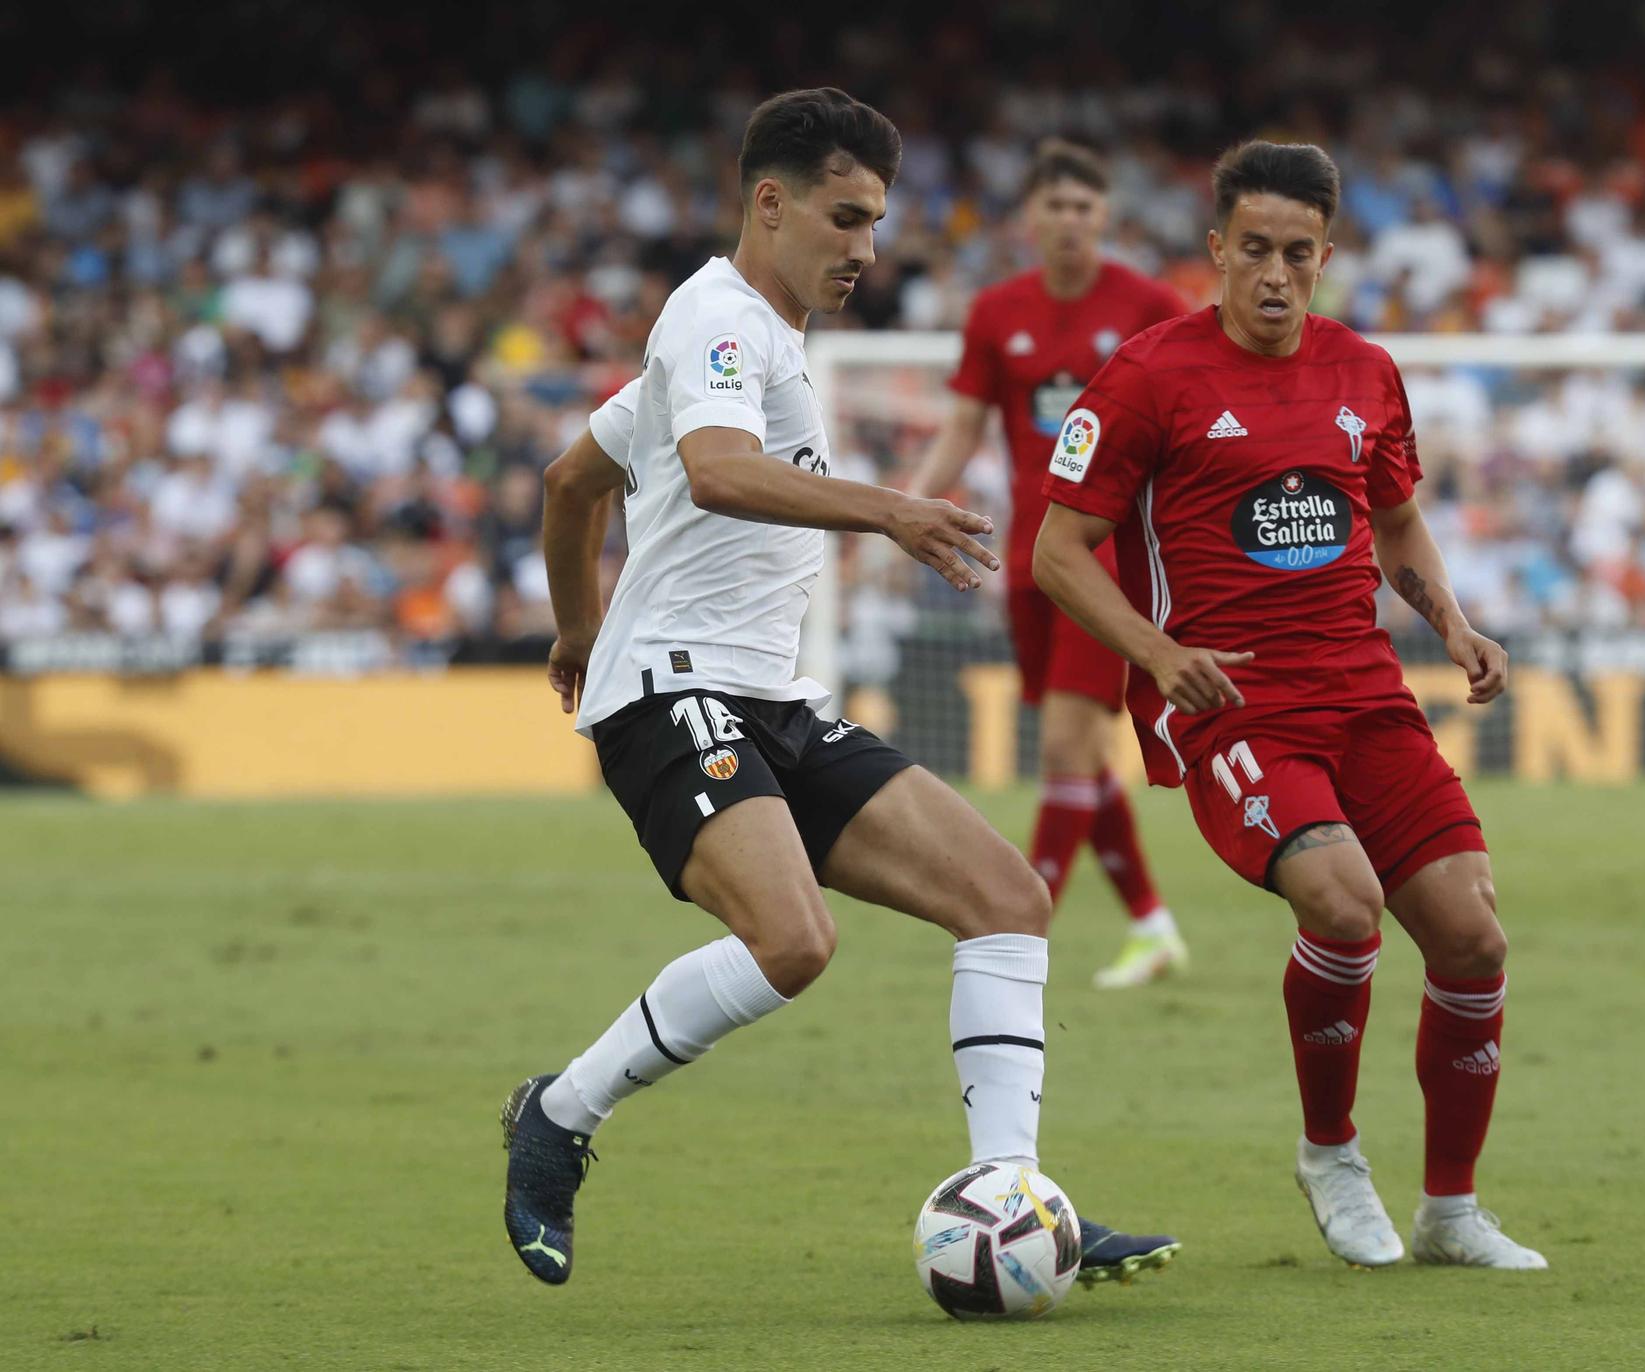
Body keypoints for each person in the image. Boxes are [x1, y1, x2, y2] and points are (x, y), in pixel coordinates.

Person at [501, 87, 1176, 1291]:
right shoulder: (714, 316)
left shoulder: (754, 339)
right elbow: (715, 472)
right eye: (846, 217)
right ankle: (557, 1111)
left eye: (875, 224)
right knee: (791, 940)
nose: (866, 249)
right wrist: (891, 507)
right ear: (771, 202)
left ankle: (1012, 1200)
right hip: (672, 695)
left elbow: (569, 482)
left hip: (767, 695)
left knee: (1008, 898)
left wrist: (571, 627)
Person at [1032, 140, 1547, 1270]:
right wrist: (1159, 657)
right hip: (1229, 702)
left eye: (1297, 254)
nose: (1273, 273)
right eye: (1252, 250)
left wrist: (1450, 623)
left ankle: (1450, 1211)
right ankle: (1329, 1152)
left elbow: (1395, 515)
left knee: (1470, 935)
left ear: (1326, 254)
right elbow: (1058, 552)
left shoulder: (1363, 369)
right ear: (1214, 250)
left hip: (1363, 691)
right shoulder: (1145, 377)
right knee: (1342, 901)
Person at [911, 139, 1190, 989]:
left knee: (1068, 748)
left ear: (1104, 216)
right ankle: (1152, 924)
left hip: (1106, 560)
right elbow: (963, 424)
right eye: (1055, 206)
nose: (1070, 220)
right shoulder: (998, 312)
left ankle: (1015, 934)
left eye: (1084, 206)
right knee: (1076, 757)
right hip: (1027, 559)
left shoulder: (1146, 305)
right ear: (1030, 218)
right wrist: (909, 506)